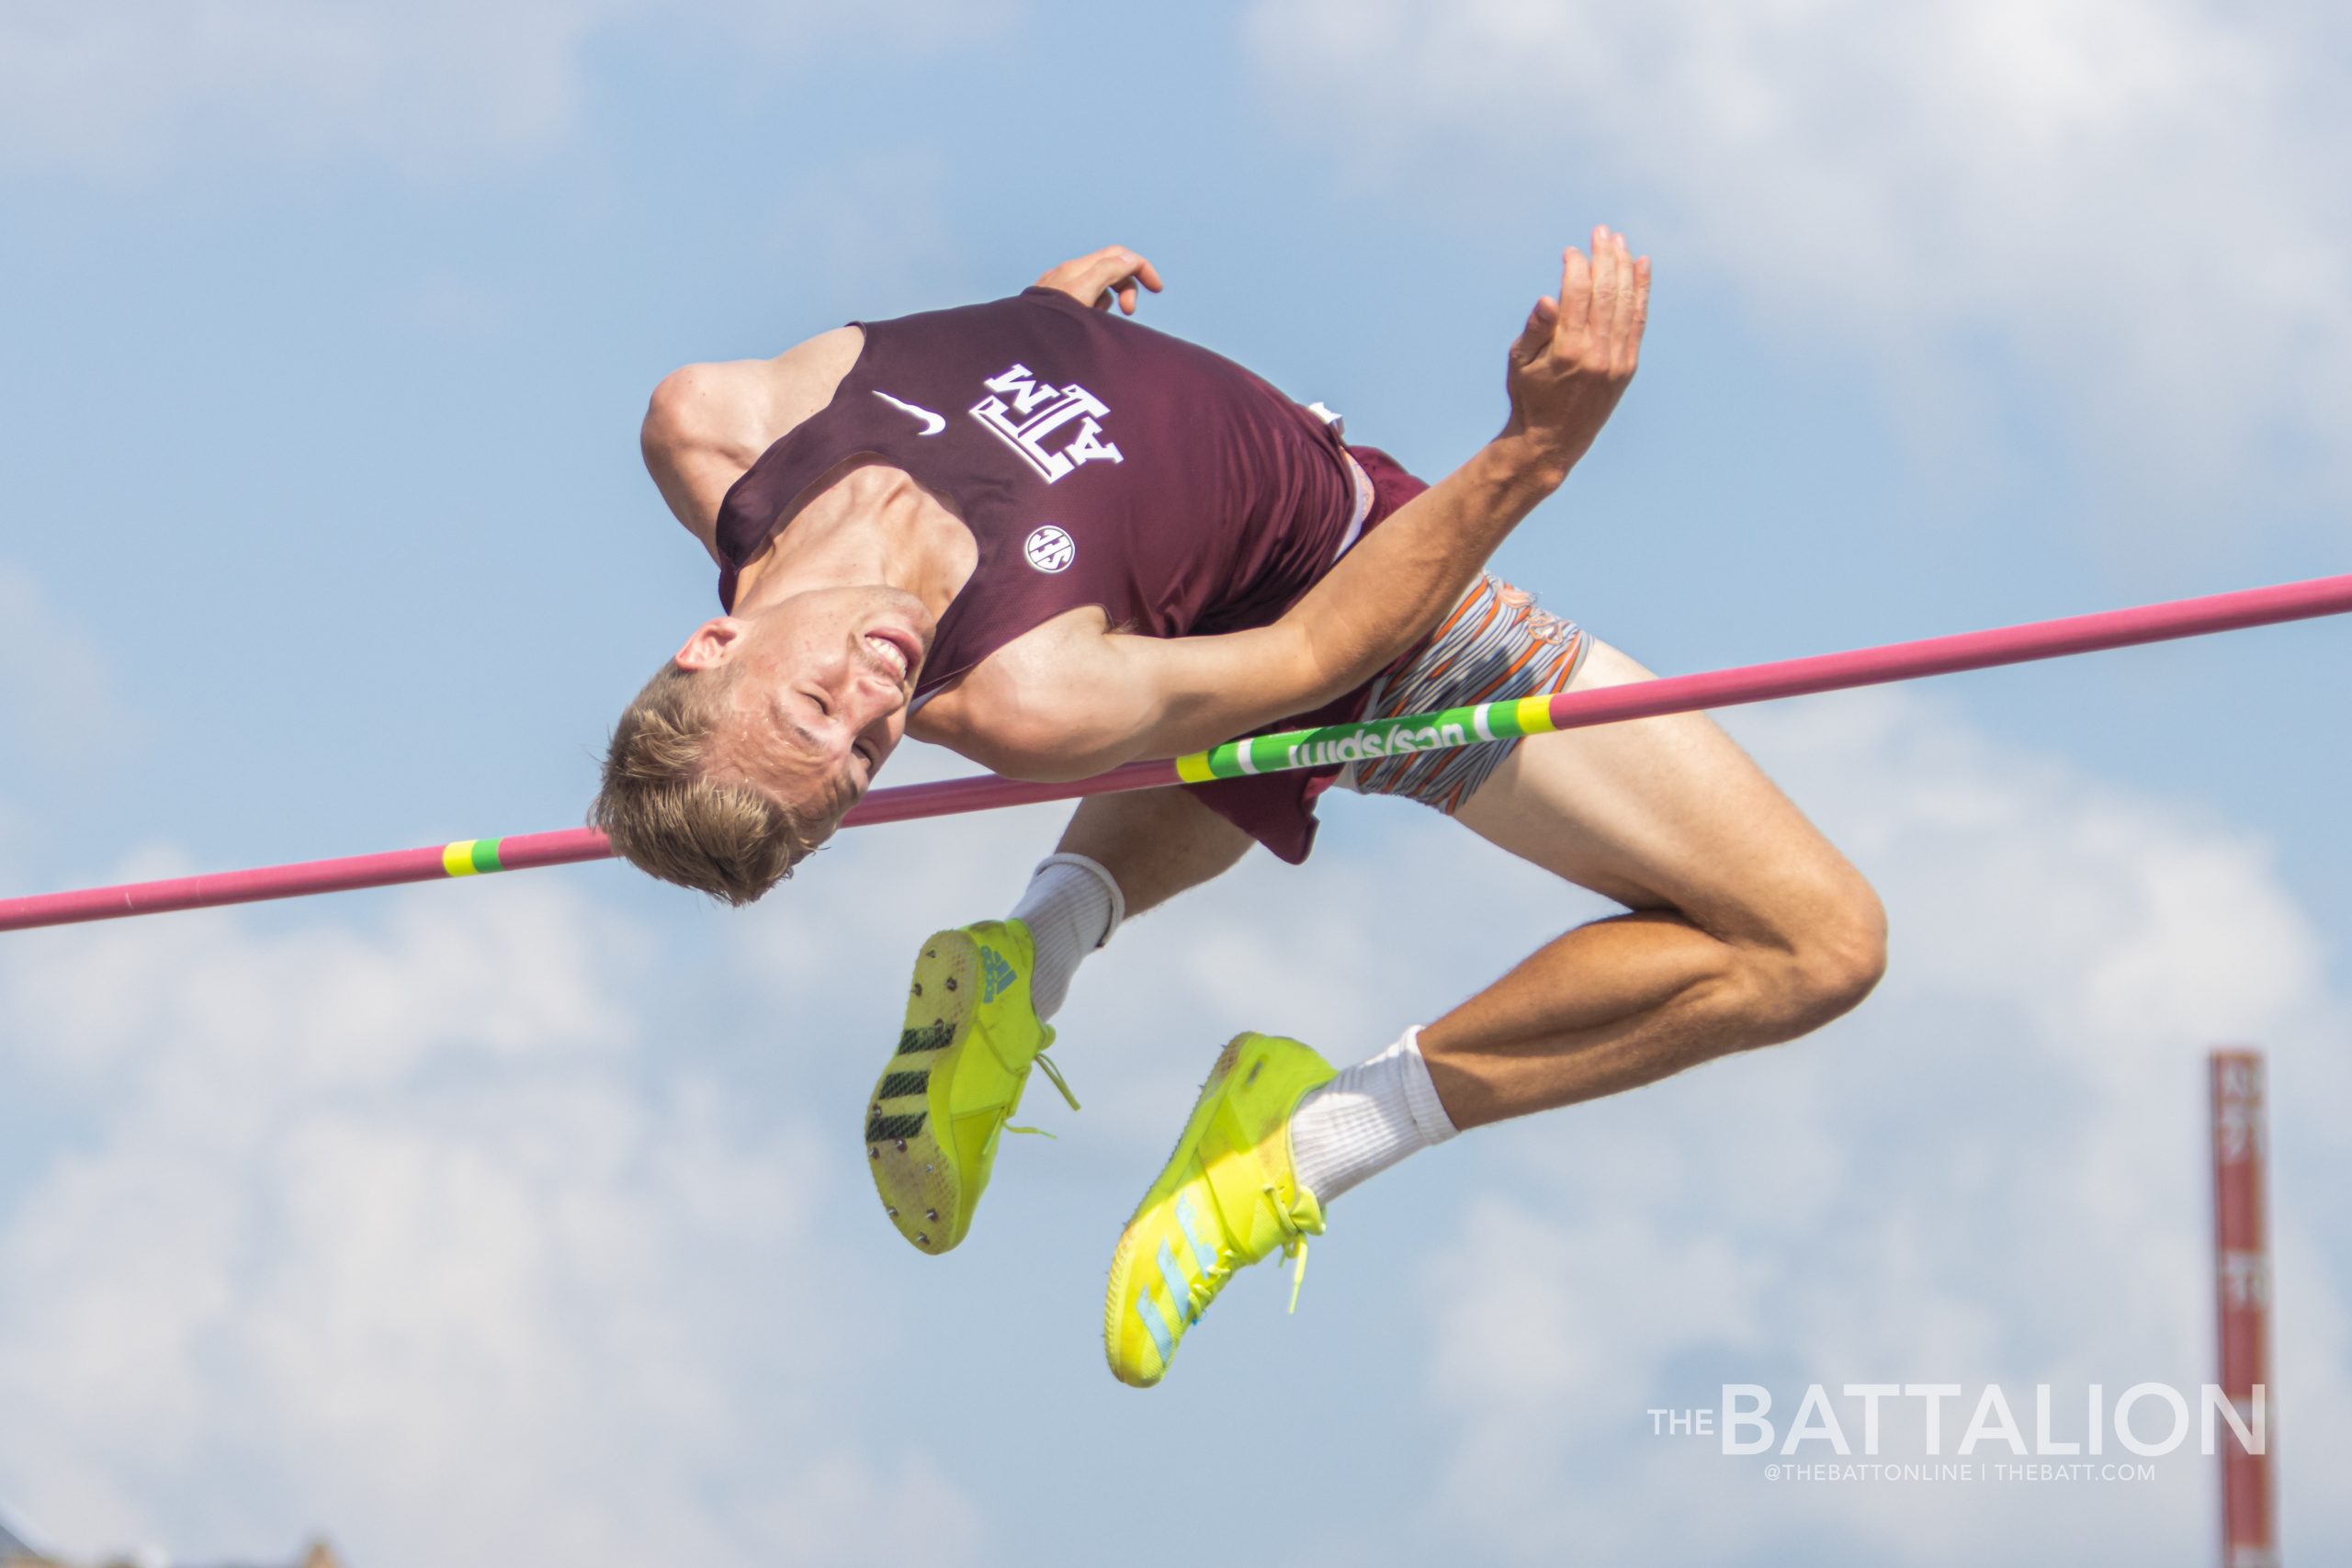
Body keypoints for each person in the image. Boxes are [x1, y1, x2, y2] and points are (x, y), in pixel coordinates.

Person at [596, 233, 1886, 1388]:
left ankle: (1026, 958)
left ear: (713, 642)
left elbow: (952, 389)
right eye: (873, 752)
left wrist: (1047, 322)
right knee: (1813, 946)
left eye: (823, 710)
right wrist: (1533, 452)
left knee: (1181, 680)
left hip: (1185, 606)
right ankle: (1311, 1142)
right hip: (1370, 602)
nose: (879, 700)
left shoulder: (718, 421)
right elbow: (1317, 653)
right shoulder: (1030, 690)